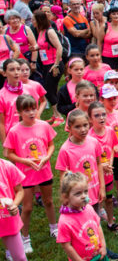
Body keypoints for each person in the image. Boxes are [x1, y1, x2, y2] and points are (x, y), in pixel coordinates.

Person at [3, 95, 57, 255]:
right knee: (27, 207)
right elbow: (8, 154)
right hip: (25, 175)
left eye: (33, 108)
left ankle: (54, 228)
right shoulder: (14, 131)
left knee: (48, 201)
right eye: (27, 110)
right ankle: (25, 238)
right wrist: (25, 162)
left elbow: (51, 145)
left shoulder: (43, 126)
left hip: (44, 171)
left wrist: (46, 157)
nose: (32, 113)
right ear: (19, 112)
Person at [86, 102, 118, 234]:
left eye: (103, 114)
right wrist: (102, 166)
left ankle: (111, 222)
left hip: (108, 172)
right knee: (96, 201)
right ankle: (95, 225)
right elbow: (89, 159)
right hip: (95, 175)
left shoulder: (110, 131)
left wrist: (110, 164)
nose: (101, 118)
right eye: (97, 115)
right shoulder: (89, 137)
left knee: (108, 198)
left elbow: (113, 147)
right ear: (90, 119)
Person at [56, 172, 108, 261]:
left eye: (85, 191)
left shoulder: (89, 208)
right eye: (78, 193)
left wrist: (103, 246)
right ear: (66, 197)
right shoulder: (64, 221)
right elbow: (66, 245)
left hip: (99, 256)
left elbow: (98, 226)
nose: (84, 196)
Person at [0, 60, 42, 144]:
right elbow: (1, 122)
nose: (16, 72)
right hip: (13, 135)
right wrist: (5, 142)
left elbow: (35, 111)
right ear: (4, 73)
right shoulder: (1, 95)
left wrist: (39, 130)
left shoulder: (29, 89)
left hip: (31, 130)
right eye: (12, 70)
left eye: (18, 69)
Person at [0, 157, 26, 261]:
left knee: (20, 257)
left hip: (7, 219)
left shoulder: (6, 166)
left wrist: (14, 205)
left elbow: (20, 191)